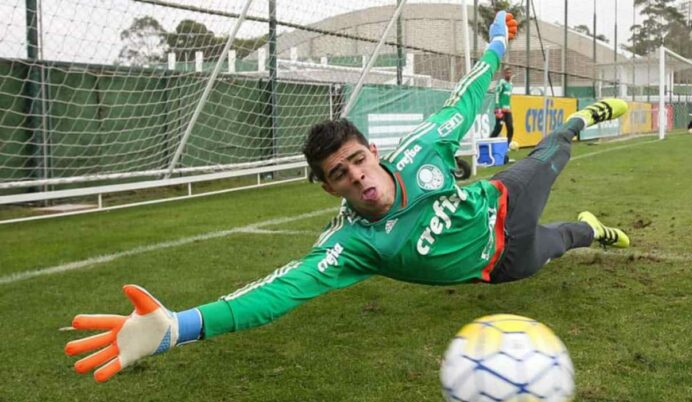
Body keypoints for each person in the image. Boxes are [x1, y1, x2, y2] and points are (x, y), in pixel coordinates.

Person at [64, 12, 630, 383]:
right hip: (497, 264)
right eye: (339, 174)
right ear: (328, 186)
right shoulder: (351, 245)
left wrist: (498, 44)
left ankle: (581, 118)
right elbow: (276, 293)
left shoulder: (423, 148)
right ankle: (594, 230)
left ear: (374, 151)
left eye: (358, 161)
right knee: (562, 241)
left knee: (552, 153)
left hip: (500, 200)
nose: (357, 177)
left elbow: (469, 93)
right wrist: (177, 327)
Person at [490, 66, 514, 163]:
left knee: (511, 128)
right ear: (504, 74)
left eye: (510, 73)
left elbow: (508, 98)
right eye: (507, 73)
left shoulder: (511, 84)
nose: (508, 74)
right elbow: (496, 93)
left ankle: (506, 148)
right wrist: (497, 106)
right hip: (500, 110)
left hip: (508, 110)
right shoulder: (502, 83)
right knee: (498, 128)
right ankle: (489, 144)